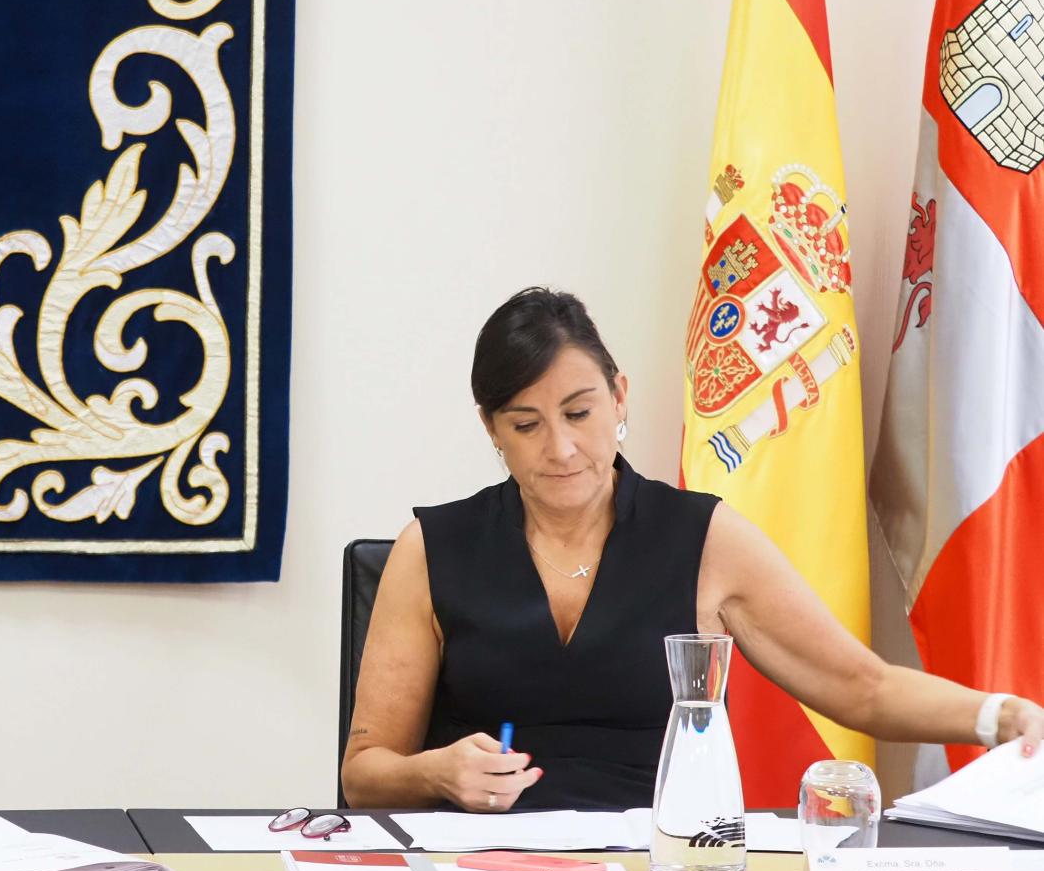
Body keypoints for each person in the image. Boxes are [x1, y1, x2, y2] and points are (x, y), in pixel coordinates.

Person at [341, 287, 1044, 812]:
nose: (560, 448)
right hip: (476, 860)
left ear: (620, 398)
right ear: (491, 428)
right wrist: (432, 773)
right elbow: (365, 772)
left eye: (579, 412)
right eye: (526, 424)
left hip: (661, 860)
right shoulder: (431, 549)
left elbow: (861, 686)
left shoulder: (702, 538)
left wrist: (998, 715)